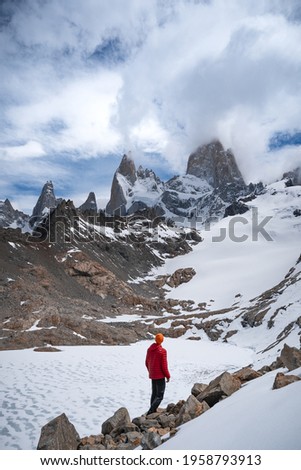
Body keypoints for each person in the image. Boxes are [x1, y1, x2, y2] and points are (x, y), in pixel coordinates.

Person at [145, 333, 170, 415]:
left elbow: (146, 362)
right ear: (162, 340)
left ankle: (152, 409)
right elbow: (164, 365)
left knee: (154, 393)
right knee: (160, 395)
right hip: (160, 376)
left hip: (153, 375)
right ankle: (151, 410)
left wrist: (151, 371)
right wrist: (168, 376)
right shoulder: (162, 351)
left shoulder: (149, 349)